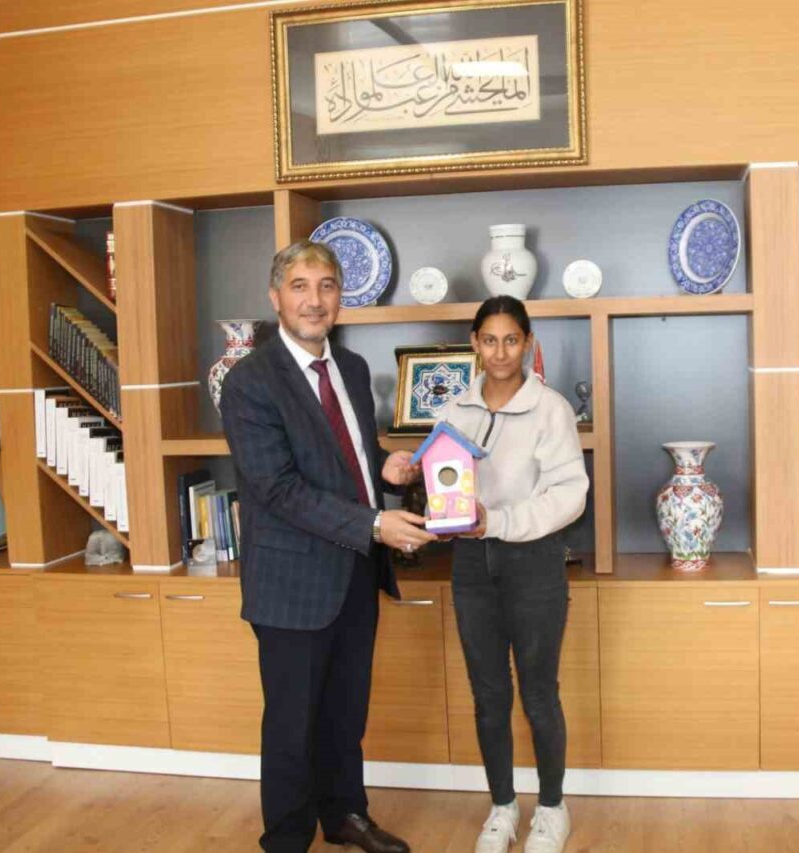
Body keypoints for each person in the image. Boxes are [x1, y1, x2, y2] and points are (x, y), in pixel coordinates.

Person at [220, 240, 435, 853]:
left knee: (345, 711)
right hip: (292, 584)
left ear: (341, 296)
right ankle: (287, 840)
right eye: (300, 286)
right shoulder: (249, 382)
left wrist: (385, 467)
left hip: (355, 572)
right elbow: (278, 488)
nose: (314, 300)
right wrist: (375, 524)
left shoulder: (354, 368)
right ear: (276, 297)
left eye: (327, 286)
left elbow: (348, 454)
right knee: (292, 726)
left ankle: (345, 816)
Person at [437, 296, 590, 853]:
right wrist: (421, 487)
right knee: (488, 693)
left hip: (534, 563)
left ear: (527, 344)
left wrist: (498, 522)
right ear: (474, 344)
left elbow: (570, 495)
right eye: (489, 340)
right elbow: (445, 483)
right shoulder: (454, 410)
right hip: (471, 566)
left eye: (511, 340)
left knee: (539, 693)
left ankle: (551, 808)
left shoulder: (551, 409)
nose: (500, 352)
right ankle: (502, 805)